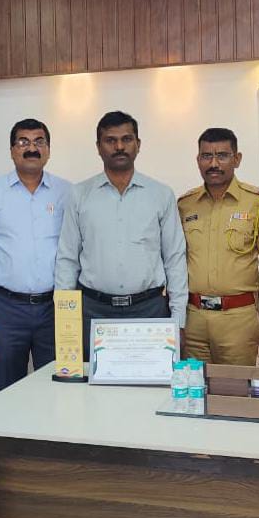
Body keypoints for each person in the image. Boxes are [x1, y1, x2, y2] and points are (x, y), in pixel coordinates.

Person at [55, 111, 188, 357]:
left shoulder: (160, 194)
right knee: (93, 380)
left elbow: (175, 259)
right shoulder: (79, 194)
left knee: (149, 380)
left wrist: (178, 319)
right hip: (93, 311)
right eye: (110, 140)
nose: (119, 147)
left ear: (138, 144)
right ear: (98, 147)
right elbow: (67, 259)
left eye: (127, 139)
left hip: (149, 311)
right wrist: (65, 319)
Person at [0, 119, 71, 392]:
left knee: (58, 385)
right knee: (5, 388)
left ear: (48, 149)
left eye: (39, 141)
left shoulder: (67, 192)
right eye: (23, 142)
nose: (31, 148)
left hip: (54, 307)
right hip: (5, 309)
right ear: (12, 150)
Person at [177, 128, 259, 365]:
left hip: (238, 320)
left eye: (222, 156)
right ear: (198, 160)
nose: (214, 164)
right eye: (206, 156)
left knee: (236, 386)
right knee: (194, 384)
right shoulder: (185, 205)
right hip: (193, 319)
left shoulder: (258, 202)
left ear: (237, 159)